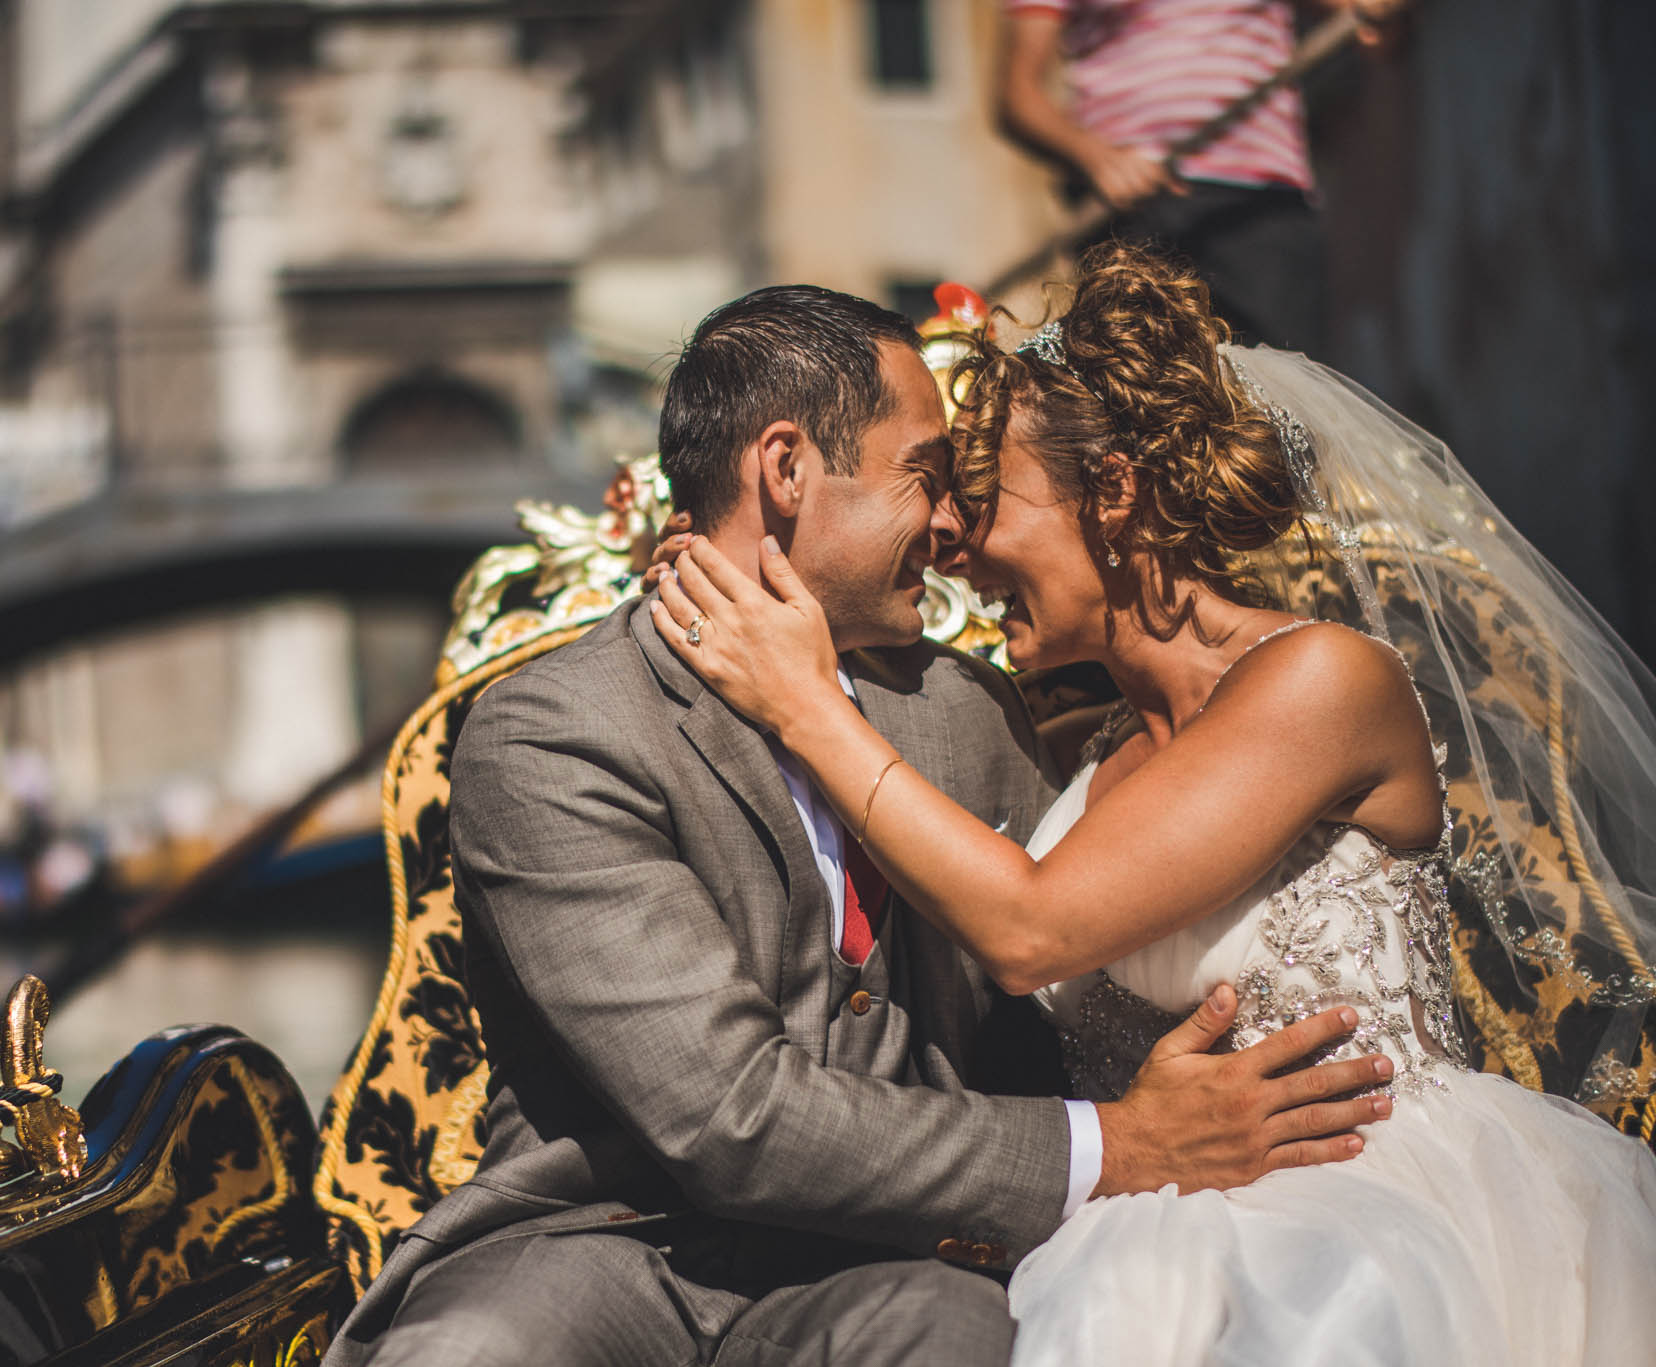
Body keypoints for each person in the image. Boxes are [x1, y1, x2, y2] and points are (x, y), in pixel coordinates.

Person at [323, 284, 1392, 1367]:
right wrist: (1112, 1142)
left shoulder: (966, 711)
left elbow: (1052, 1001)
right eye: (925, 477)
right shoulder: (559, 729)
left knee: (954, 1336)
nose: (950, 528)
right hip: (611, 1245)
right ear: (785, 470)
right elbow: (725, 1114)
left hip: (896, 1257)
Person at [649, 244, 1656, 1364]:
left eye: (984, 503)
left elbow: (1031, 929)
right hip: (1139, 1208)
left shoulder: (1321, 679)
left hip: (1370, 1201)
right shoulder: (1079, 765)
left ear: (1114, 492)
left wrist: (801, 702)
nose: (959, 549)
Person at [998, 0, 1405, 355]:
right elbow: (1018, 98)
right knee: (1137, 395)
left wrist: (1375, 13)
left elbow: (1366, 17)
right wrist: (1097, 158)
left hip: (1259, 204)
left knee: (1285, 400)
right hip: (1128, 212)